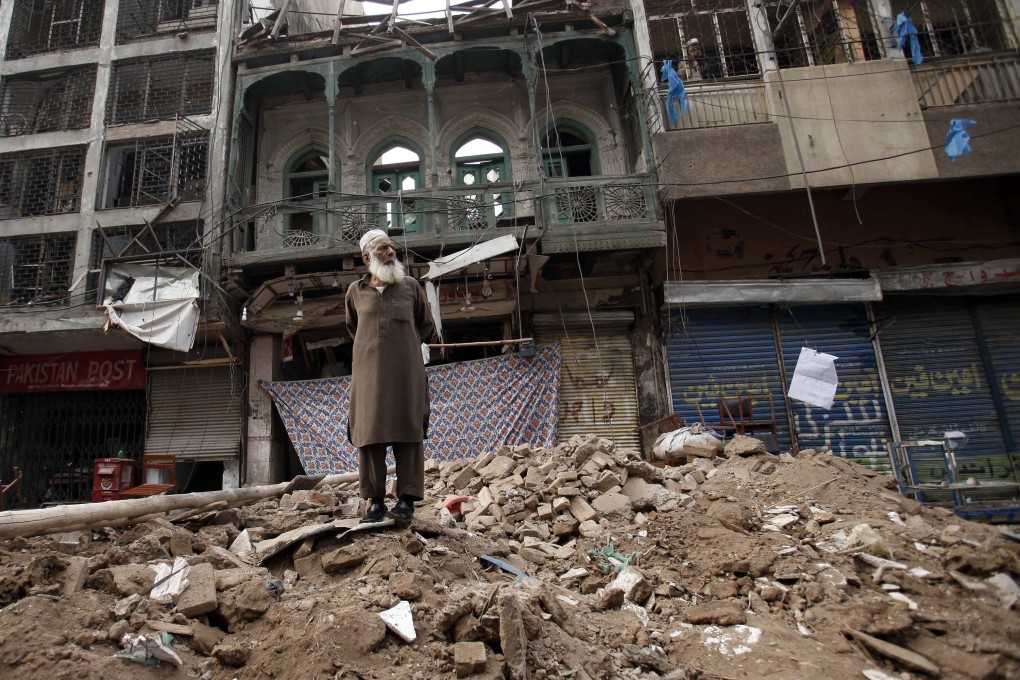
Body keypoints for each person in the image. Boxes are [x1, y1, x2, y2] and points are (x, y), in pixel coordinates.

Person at [345, 229, 436, 524]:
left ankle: (407, 500)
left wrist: (403, 347)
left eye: (392, 248)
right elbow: (354, 330)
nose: (391, 253)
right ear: (367, 256)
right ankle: (374, 501)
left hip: (406, 374)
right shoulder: (355, 292)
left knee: (408, 432)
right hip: (368, 376)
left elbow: (426, 328)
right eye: (383, 248)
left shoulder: (411, 287)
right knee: (370, 435)